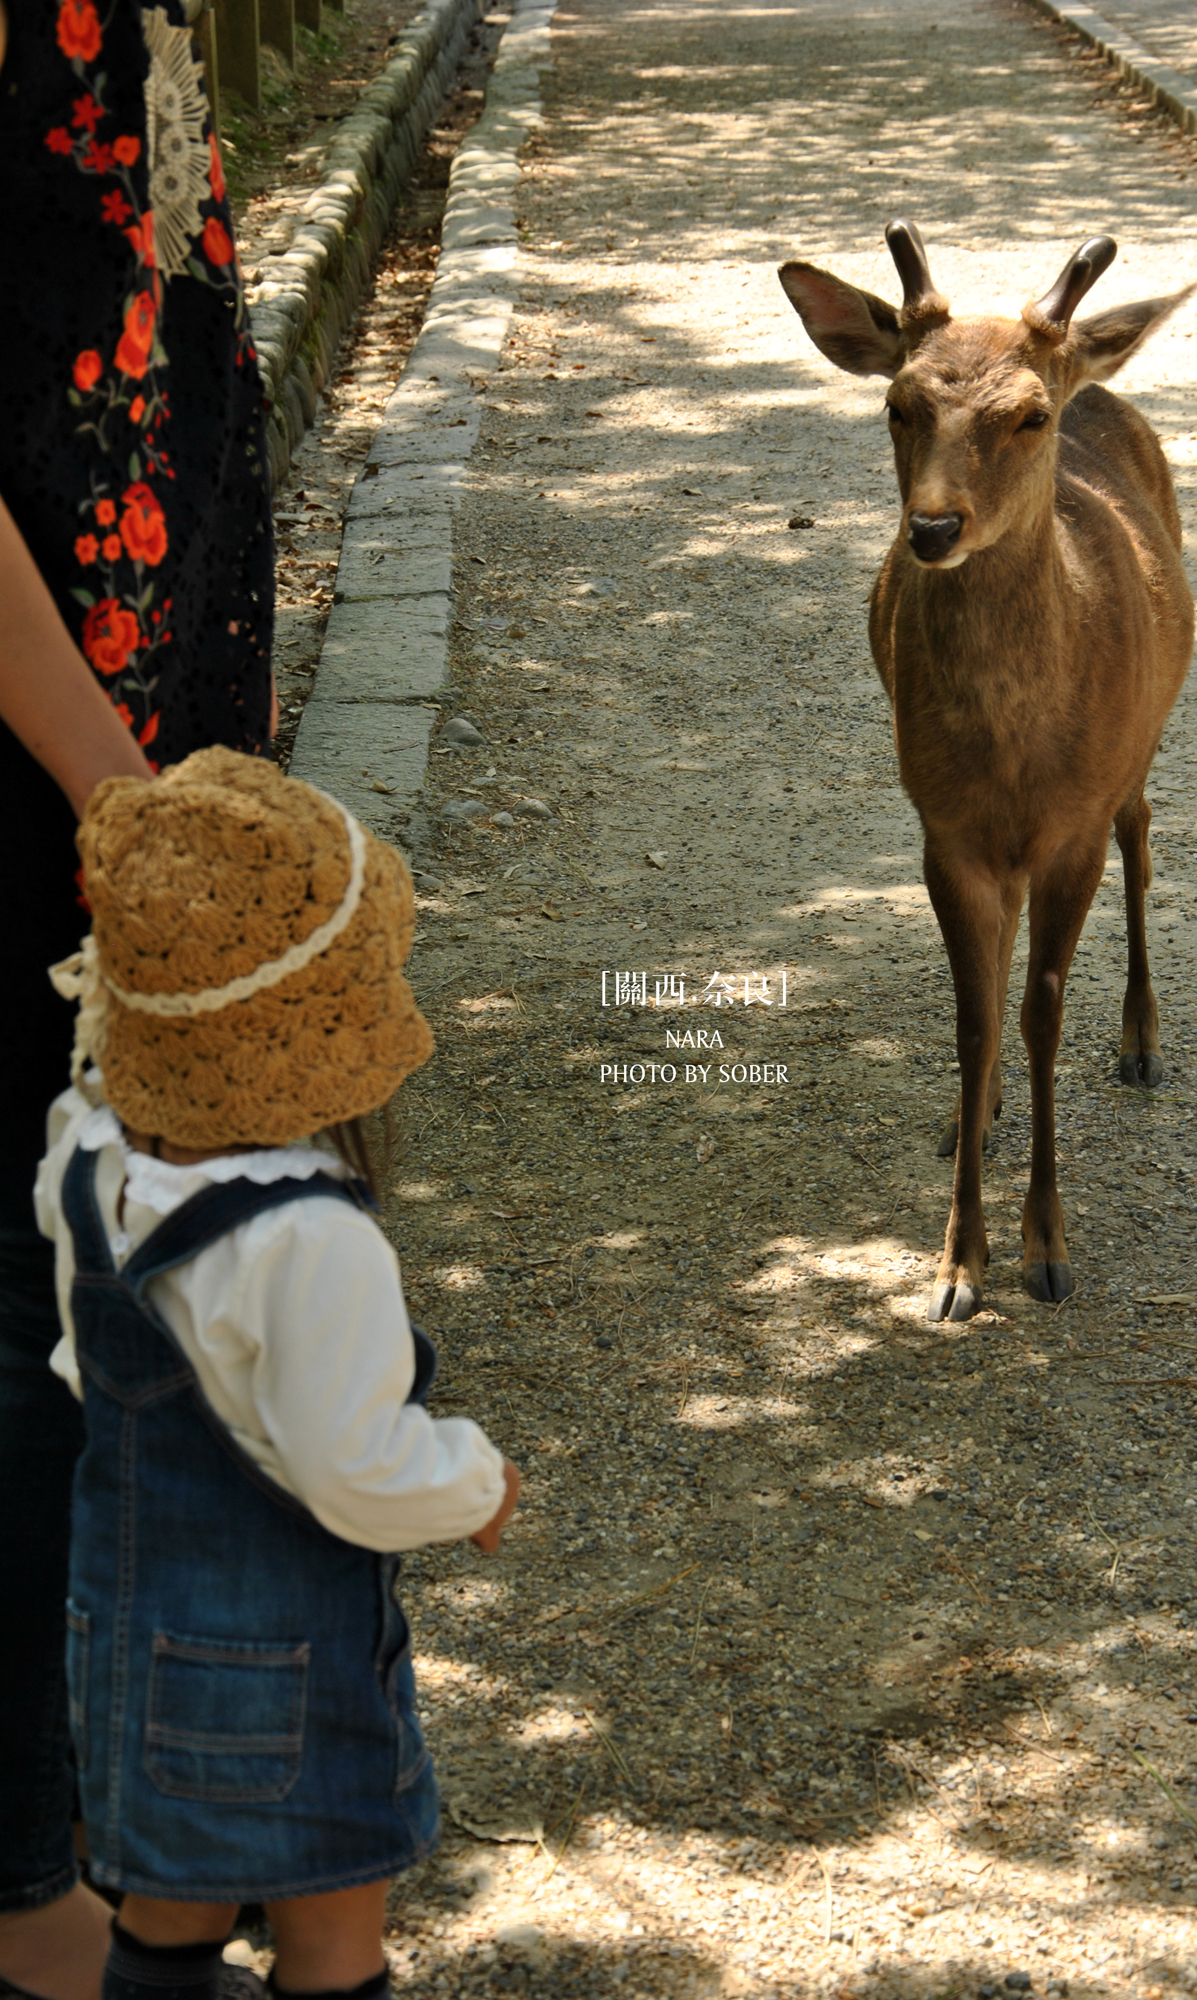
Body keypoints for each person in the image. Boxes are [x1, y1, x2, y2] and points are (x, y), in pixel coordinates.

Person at [35, 748, 522, 2000]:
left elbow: (84, 1360)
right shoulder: (310, 1236)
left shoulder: (86, 1159)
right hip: (278, 1671)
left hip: (117, 1632)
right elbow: (348, 1462)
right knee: (328, 1932)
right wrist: (470, 1482)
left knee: (168, 1905)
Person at [0, 5, 275, 1990]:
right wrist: (123, 797)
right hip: (54, 794)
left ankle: (110, 1838)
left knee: (118, 1311)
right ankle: (32, 1900)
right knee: (21, 1339)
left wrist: (219, 788)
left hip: (150, 779)